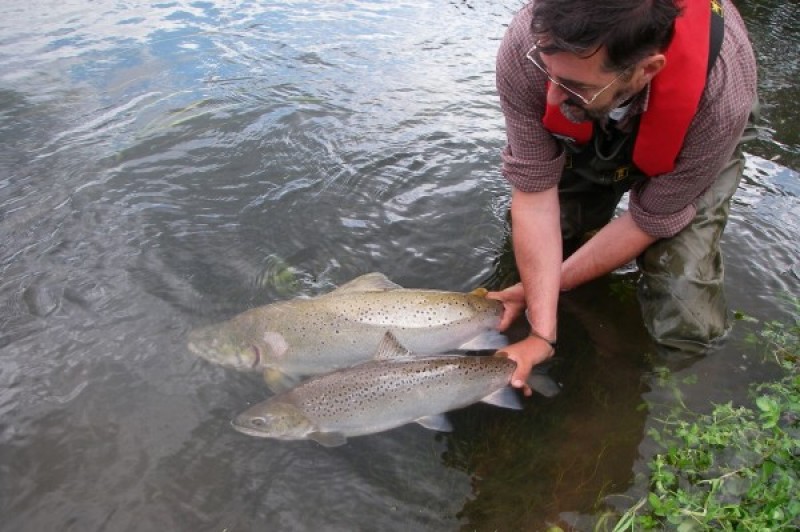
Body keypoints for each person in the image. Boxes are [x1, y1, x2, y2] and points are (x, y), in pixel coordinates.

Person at [486, 0, 758, 394]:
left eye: (572, 86)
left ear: (647, 70)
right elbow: (534, 194)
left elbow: (650, 218)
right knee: (550, 238)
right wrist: (542, 333)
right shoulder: (526, 49)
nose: (551, 100)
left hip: (695, 130)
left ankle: (662, 397)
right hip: (592, 119)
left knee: (684, 311)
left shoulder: (721, 98)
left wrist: (540, 288)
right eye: (550, 75)